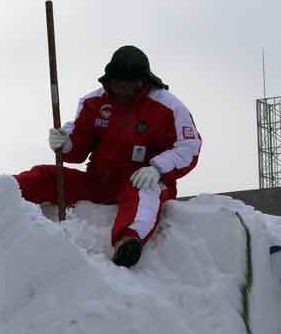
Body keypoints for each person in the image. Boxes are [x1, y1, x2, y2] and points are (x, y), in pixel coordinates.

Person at [15, 45, 202, 267]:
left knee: (143, 193)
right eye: (118, 82)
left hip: (141, 183)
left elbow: (188, 146)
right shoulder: (94, 103)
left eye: (129, 82)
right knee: (45, 176)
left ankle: (128, 241)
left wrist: (157, 168)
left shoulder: (168, 107)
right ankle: (2, 195)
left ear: (143, 81)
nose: (123, 88)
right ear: (109, 80)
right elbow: (79, 143)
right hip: (98, 182)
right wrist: (66, 143)